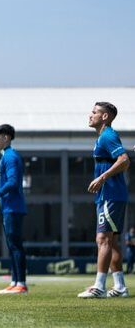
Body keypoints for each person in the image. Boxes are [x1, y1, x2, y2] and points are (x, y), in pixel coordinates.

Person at [78, 102, 130, 299]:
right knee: (112, 242)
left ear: (105, 116)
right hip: (109, 195)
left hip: (111, 194)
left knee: (103, 239)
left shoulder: (107, 136)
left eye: (94, 112)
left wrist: (102, 178)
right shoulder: (104, 137)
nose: (90, 115)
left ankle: (99, 287)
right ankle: (120, 287)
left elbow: (124, 160)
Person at [0, 124, 28, 295]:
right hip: (8, 207)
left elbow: (13, 182)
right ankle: (15, 282)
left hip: (14, 207)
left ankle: (21, 284)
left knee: (16, 246)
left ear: (7, 138)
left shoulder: (11, 157)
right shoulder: (6, 156)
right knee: (12, 246)